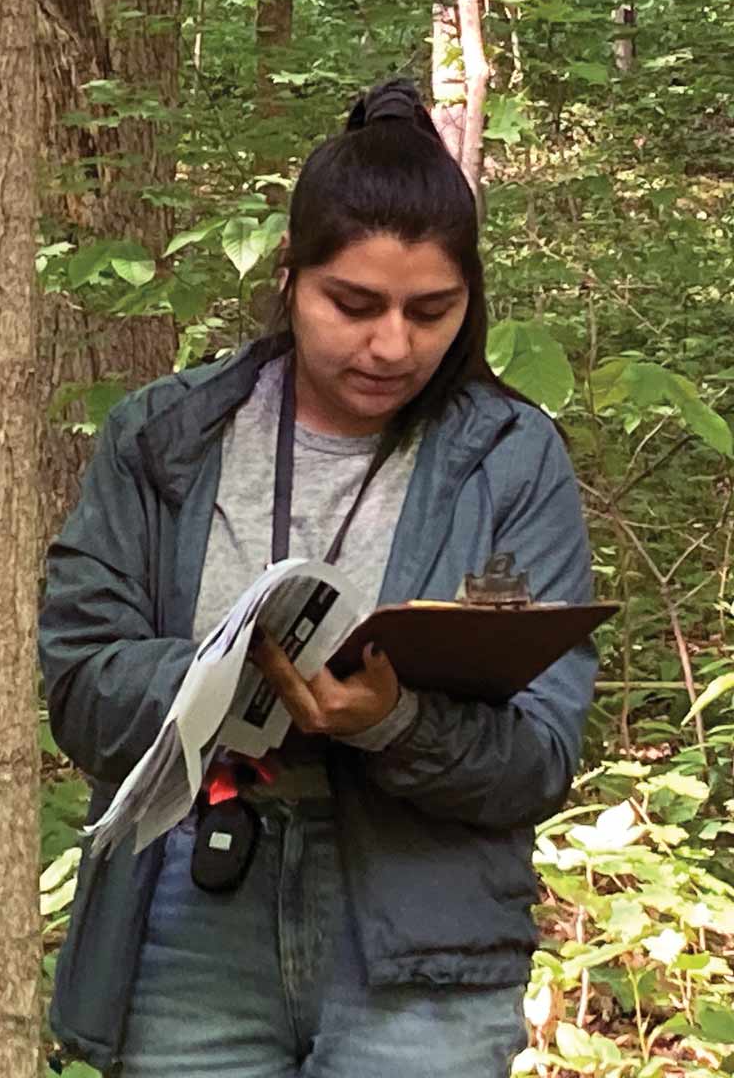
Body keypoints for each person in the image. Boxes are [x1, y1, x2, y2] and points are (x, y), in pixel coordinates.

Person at [40, 79, 597, 1078]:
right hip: (192, 911)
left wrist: (392, 720)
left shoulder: (512, 460)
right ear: (290, 275)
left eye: (433, 311)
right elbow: (80, 687)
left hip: (425, 929)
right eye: (354, 304)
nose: (392, 345)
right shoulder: (168, 439)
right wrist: (225, 678)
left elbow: (539, 759)